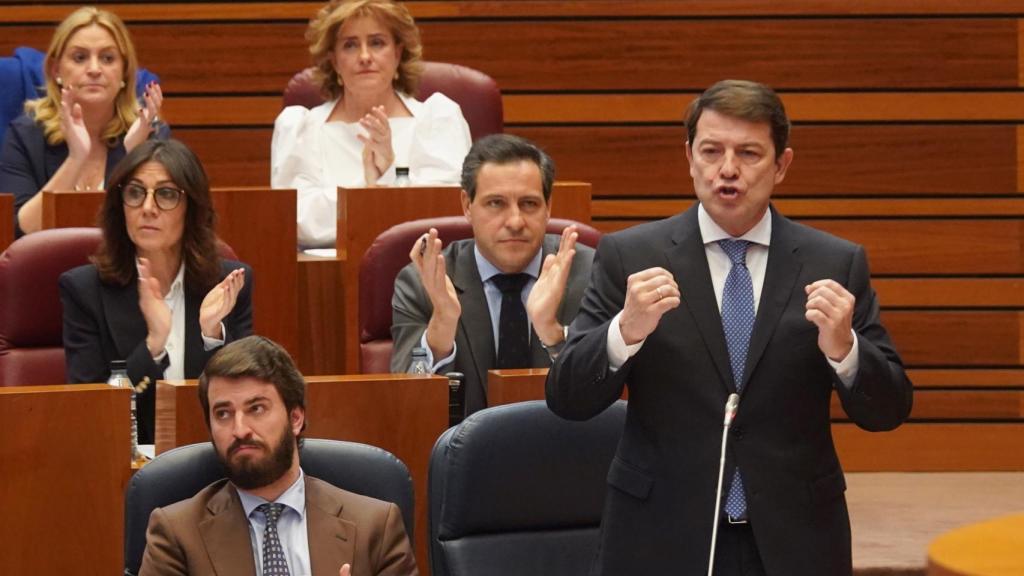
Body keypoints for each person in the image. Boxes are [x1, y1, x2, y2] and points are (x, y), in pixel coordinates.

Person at [546, 80, 913, 576]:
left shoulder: (835, 263)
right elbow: (568, 397)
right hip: (659, 533)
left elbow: (889, 409)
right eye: (711, 151)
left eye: (749, 153)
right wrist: (624, 331)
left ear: (781, 165)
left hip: (795, 536)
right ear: (689, 158)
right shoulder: (629, 256)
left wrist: (845, 349)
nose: (728, 170)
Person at [139, 335, 418, 576]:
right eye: (223, 414)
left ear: (295, 418)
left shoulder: (375, 527)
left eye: (256, 409)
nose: (239, 430)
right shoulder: (177, 535)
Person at [60, 139, 252, 445]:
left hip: (212, 459)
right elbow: (92, 414)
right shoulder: (85, 291)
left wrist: (211, 335)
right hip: (126, 463)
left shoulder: (226, 283)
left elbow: (244, 401)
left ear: (192, 208)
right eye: (135, 193)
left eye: (165, 194)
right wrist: (153, 346)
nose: (148, 208)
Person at [391, 134, 594, 416]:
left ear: (548, 207)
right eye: (496, 203)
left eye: (529, 204)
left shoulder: (590, 275)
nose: (514, 222)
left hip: (569, 446)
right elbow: (404, 404)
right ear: (466, 205)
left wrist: (554, 335)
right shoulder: (424, 281)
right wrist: (443, 325)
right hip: (462, 452)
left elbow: (601, 390)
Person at [272, 0, 472, 249]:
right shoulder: (301, 128)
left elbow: (445, 215)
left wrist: (385, 178)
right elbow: (298, 224)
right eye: (350, 45)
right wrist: (370, 190)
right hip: (325, 278)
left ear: (397, 53)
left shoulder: (437, 120)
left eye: (377, 43)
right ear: (334, 61)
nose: (365, 56)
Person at [0, 6, 166, 238]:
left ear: (125, 72)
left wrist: (131, 154)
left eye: (107, 58)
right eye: (80, 58)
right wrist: (75, 159)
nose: (95, 69)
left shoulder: (148, 133)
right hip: (47, 269)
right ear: (57, 70)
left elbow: (158, 228)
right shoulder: (26, 135)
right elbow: (19, 230)